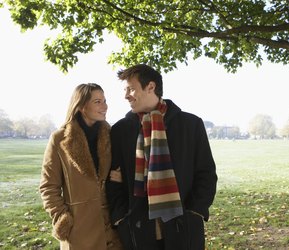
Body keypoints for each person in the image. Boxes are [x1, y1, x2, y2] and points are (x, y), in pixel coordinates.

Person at [106, 64, 218, 250]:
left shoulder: (191, 125)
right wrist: (121, 218)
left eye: (131, 89)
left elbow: (206, 173)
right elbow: (113, 180)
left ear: (150, 87)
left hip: (183, 226)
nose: (126, 96)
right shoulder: (121, 130)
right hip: (138, 229)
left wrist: (195, 211)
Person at [39, 83, 123, 250]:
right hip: (79, 231)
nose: (105, 106)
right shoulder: (59, 139)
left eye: (105, 100)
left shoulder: (111, 136)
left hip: (112, 229)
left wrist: (122, 178)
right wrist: (62, 218)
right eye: (98, 101)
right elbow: (48, 186)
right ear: (82, 106)